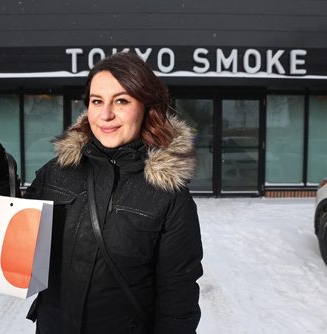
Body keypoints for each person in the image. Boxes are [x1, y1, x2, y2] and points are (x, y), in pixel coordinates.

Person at [22, 52, 203, 333]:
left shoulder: (169, 196)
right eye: (97, 101)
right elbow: (17, 246)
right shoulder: (57, 171)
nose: (105, 115)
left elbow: (178, 300)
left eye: (121, 101)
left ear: (146, 105)